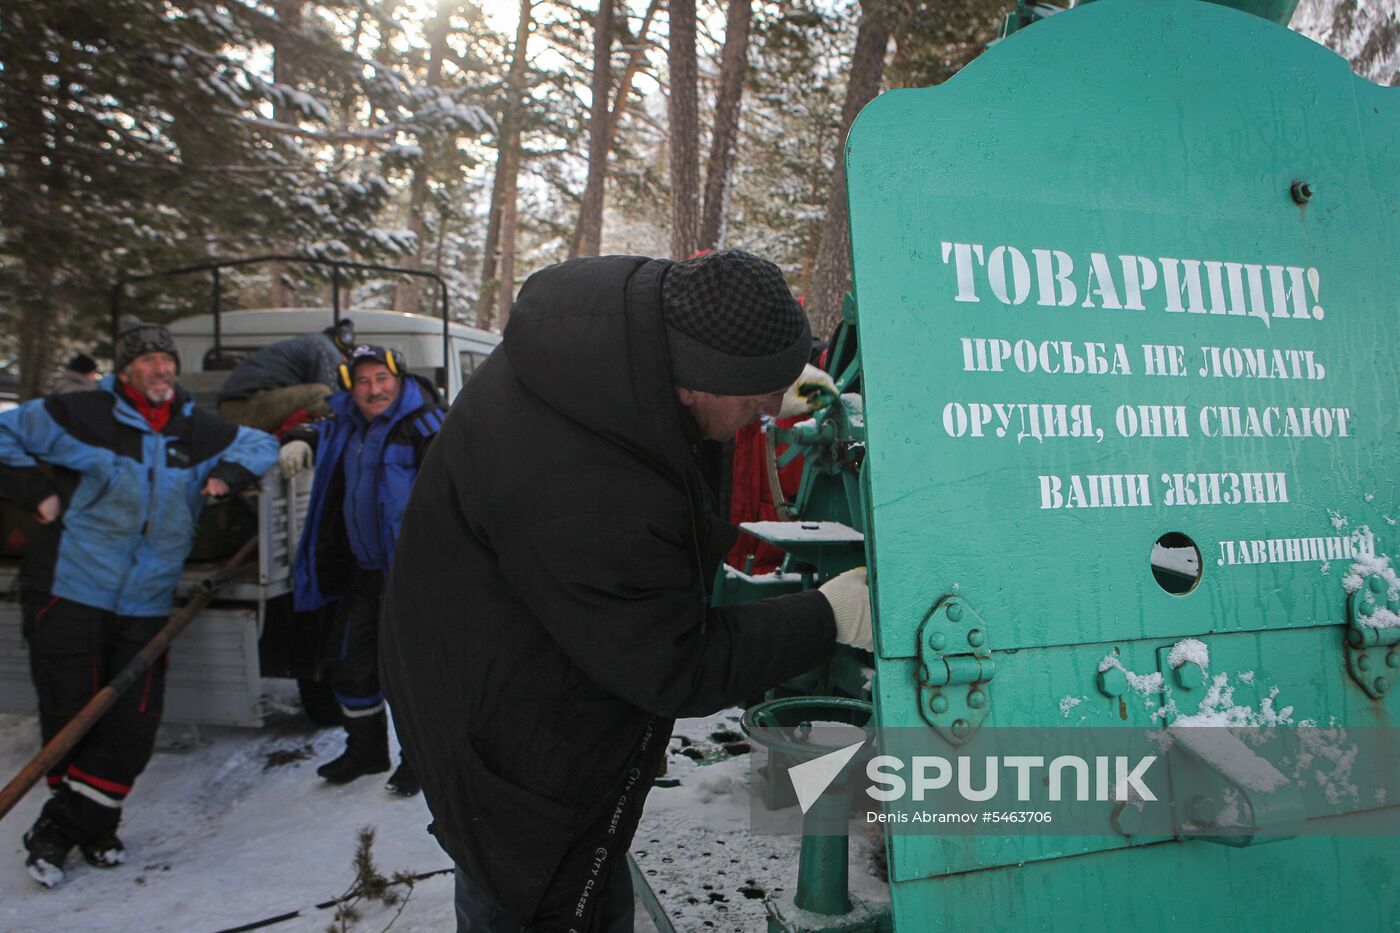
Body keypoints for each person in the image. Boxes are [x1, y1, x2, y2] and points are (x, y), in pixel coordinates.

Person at [380, 250, 872, 931]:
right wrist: (828, 614)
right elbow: (676, 664)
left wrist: (767, 383)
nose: (767, 411)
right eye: (756, 396)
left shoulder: (604, 355)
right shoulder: (586, 490)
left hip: (502, 672)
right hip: (515, 763)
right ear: (696, 382)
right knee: (539, 896)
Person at [0, 317, 278, 888]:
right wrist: (38, 494)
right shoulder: (82, 414)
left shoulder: (196, 428)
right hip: (72, 586)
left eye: (167, 360)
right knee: (69, 713)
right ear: (125, 369)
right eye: (148, 360)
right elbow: (4, 431)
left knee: (134, 722)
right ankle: (93, 828)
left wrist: (227, 475)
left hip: (147, 598)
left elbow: (262, 444)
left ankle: (62, 827)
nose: (161, 370)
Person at [282, 343, 444, 796]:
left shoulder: (428, 426)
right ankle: (366, 750)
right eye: (363, 382)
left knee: (412, 675)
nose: (374, 390)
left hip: (413, 575)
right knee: (350, 664)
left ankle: (420, 762)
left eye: (382, 379)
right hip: (364, 571)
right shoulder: (348, 425)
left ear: (399, 379)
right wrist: (301, 438)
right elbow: (322, 429)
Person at [216, 318, 357, 434]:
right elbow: (334, 399)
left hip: (240, 407)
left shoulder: (311, 342)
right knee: (322, 395)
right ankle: (288, 440)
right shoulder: (325, 348)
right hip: (243, 408)